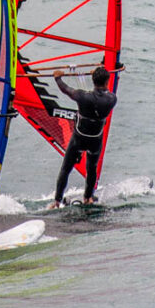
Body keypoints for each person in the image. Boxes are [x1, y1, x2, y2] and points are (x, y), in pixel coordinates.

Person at [50, 66, 117, 209]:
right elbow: (104, 92)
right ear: (107, 82)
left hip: (79, 138)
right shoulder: (112, 99)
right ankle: (88, 198)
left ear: (93, 81)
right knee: (91, 168)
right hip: (95, 140)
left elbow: (66, 89)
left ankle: (57, 201)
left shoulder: (82, 96)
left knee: (65, 169)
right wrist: (98, 76)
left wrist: (57, 78)